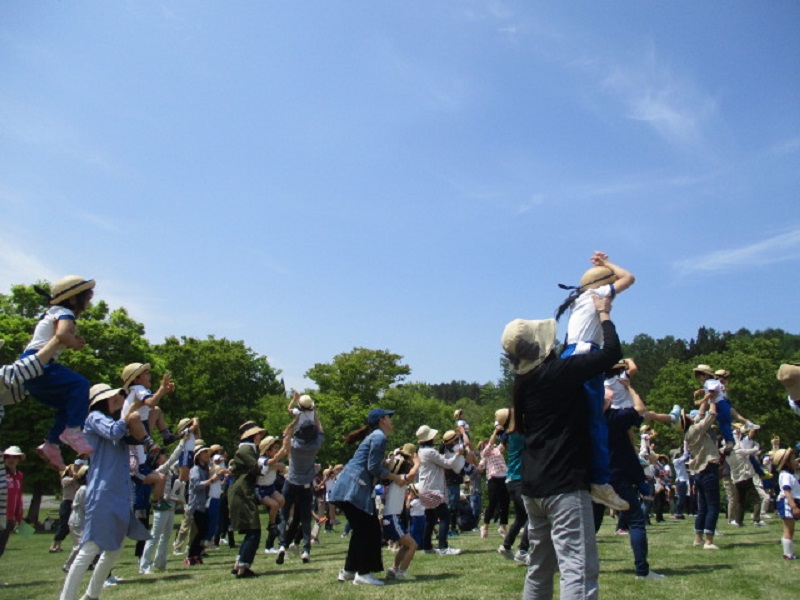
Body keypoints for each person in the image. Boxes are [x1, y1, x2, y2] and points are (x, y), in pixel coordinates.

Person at [502, 292, 621, 600]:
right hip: (564, 485)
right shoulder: (560, 372)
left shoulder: (523, 383)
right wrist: (604, 314)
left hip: (533, 486)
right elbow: (611, 353)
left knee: (539, 568)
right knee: (578, 569)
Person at [554, 252, 633, 511]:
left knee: (570, 418)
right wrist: (607, 263)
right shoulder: (597, 294)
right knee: (596, 420)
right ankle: (599, 481)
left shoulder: (577, 300)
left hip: (568, 355)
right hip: (586, 355)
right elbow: (628, 278)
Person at [59, 383, 151, 600]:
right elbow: (114, 431)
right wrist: (130, 409)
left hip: (119, 492)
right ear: (101, 400)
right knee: (90, 547)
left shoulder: (114, 420)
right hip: (103, 491)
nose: (117, 400)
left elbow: (136, 435)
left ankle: (91, 596)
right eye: (113, 397)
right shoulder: (94, 418)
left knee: (114, 549)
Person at [22, 276, 96, 471]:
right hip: (40, 364)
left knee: (70, 402)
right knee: (80, 385)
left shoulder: (53, 312)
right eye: (87, 297)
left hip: (30, 370)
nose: (89, 301)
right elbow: (62, 334)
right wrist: (75, 343)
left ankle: (52, 444)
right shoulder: (65, 313)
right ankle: (74, 431)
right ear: (73, 299)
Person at [330, 408, 407, 586]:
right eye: (389, 417)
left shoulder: (375, 436)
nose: (391, 420)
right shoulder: (379, 437)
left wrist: (386, 464)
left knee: (362, 528)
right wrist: (395, 477)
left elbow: (371, 464)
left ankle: (349, 571)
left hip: (349, 486)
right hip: (354, 488)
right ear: (382, 420)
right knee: (368, 529)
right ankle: (363, 574)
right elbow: (373, 468)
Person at [600, 386, 665, 579]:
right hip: (618, 477)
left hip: (595, 477)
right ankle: (642, 570)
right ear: (608, 402)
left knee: (589, 525)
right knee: (636, 520)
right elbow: (641, 409)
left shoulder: (586, 419)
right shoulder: (615, 418)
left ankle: (573, 567)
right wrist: (629, 387)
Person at [276, 409, 324, 566]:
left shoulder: (293, 444)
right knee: (305, 518)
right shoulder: (315, 445)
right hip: (306, 484)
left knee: (283, 515)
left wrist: (295, 420)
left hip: (291, 482)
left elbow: (286, 432)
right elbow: (321, 430)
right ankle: (306, 550)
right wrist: (315, 414)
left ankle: (282, 545)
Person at [416, 424, 466, 557]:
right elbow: (447, 464)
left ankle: (427, 547)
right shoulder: (430, 452)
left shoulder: (420, 451)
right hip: (433, 489)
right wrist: (457, 455)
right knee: (444, 517)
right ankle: (443, 547)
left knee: (430, 519)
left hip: (424, 489)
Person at [139, 438, 186, 574]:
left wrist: (186, 449)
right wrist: (182, 444)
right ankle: (144, 566)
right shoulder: (160, 470)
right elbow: (173, 459)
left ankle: (160, 563)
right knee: (154, 537)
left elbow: (179, 462)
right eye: (162, 455)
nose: (165, 456)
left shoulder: (170, 471)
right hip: (161, 506)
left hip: (171, 506)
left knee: (165, 537)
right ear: (158, 459)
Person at [679, 402, 722, 550]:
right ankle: (709, 541)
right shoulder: (696, 429)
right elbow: (711, 416)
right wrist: (713, 399)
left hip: (698, 472)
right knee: (713, 506)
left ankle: (698, 538)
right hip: (708, 469)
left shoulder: (689, 431)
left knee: (703, 506)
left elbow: (701, 415)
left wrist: (706, 398)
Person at [228, 421, 267, 578]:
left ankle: (239, 564)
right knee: (254, 531)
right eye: (258, 434)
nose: (260, 437)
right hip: (242, 492)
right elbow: (256, 468)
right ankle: (244, 567)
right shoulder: (246, 450)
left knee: (251, 531)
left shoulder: (248, 449)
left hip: (244, 491)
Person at [692, 365, 757, 453]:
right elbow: (710, 390)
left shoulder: (710, 382)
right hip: (723, 402)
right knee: (730, 418)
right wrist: (700, 391)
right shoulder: (713, 382)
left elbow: (711, 393)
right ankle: (747, 424)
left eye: (698, 375)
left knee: (724, 423)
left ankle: (730, 441)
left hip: (720, 403)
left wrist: (702, 400)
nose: (697, 378)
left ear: (705, 375)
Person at [496, 408, 530, 563]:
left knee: (521, 517)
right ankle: (523, 550)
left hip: (512, 481)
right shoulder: (517, 435)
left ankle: (506, 545)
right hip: (519, 481)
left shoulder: (510, 435)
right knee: (533, 516)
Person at [383, 450, 421, 581]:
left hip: (391, 517)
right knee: (413, 545)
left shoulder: (394, 480)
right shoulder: (398, 479)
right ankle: (402, 572)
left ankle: (393, 569)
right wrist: (417, 463)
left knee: (406, 545)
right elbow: (411, 476)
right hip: (392, 517)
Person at [480, 422, 509, 539]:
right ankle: (485, 527)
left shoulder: (497, 450)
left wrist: (507, 429)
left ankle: (503, 527)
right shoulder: (485, 454)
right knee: (492, 504)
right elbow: (491, 443)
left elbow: (504, 441)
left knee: (505, 503)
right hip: (493, 479)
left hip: (504, 477)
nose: (489, 444)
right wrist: (495, 431)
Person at [773, 447, 800, 559]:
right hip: (787, 503)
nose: (795, 461)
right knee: (789, 528)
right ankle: (788, 554)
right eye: (793, 459)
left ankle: (789, 553)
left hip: (793, 501)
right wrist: (794, 507)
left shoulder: (791, 474)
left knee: (791, 529)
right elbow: (786, 491)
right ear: (787, 463)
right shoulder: (785, 475)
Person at [0, 446, 25, 558]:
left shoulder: (19, 475)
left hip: (10, 519)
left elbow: (18, 497)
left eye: (15, 457)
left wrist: (19, 517)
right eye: (8, 457)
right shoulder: (1, 475)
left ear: (19, 459)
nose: (11, 460)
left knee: (1, 549)